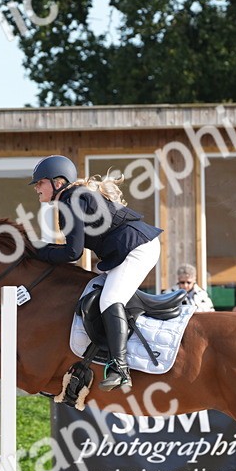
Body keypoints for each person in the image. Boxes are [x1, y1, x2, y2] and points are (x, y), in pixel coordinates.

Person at [30, 155, 162, 391]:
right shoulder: (71, 199)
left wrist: (39, 251)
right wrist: (42, 249)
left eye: (40, 183)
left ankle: (120, 368)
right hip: (126, 249)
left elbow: (73, 252)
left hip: (137, 247)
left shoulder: (71, 201)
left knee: (110, 299)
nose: (37, 188)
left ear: (58, 182)